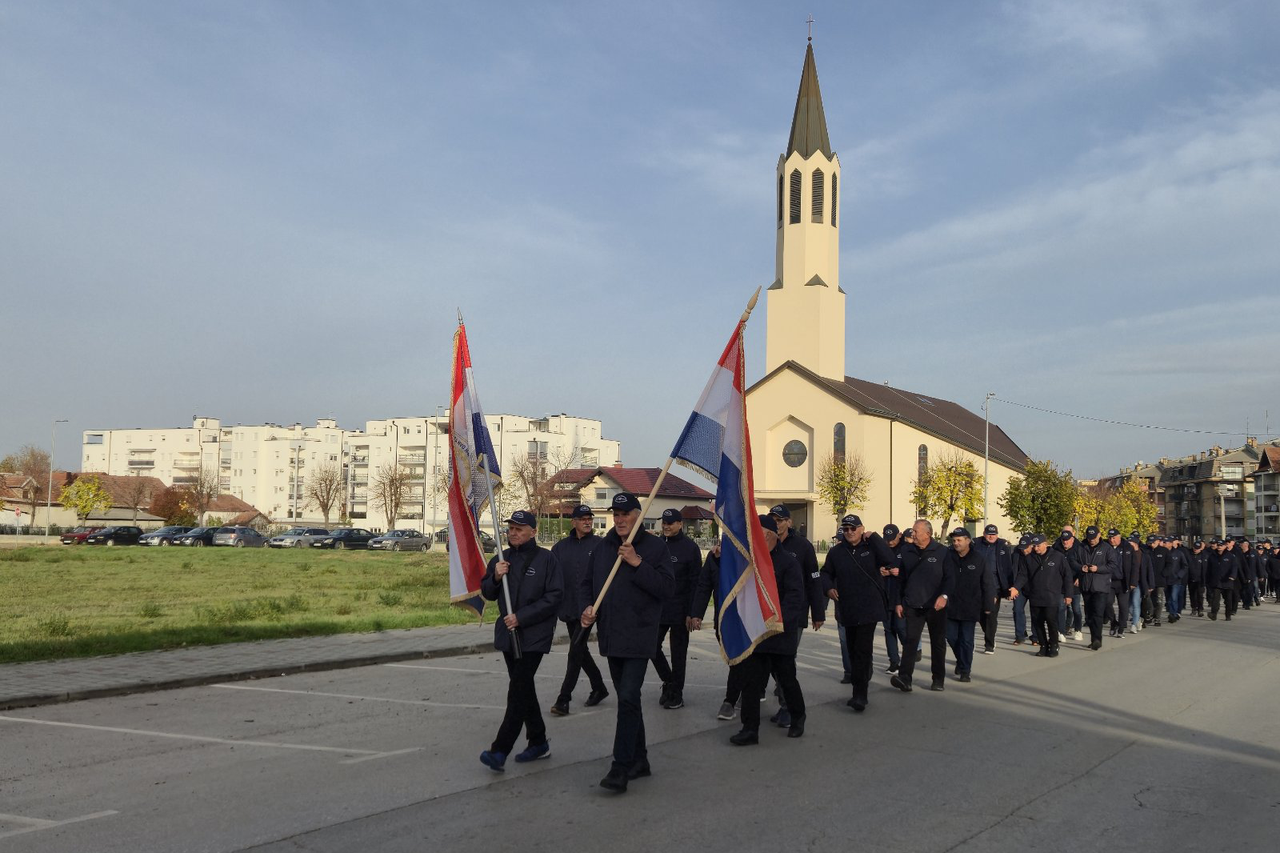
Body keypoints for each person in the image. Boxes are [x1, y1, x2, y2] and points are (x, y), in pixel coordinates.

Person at [579, 492, 674, 793]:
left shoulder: (655, 548)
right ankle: (640, 760)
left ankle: (620, 767)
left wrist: (636, 562)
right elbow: (587, 584)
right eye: (615, 514)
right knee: (627, 700)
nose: (619, 519)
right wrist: (586, 608)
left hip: (640, 635)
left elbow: (666, 589)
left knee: (629, 697)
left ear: (637, 515)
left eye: (625, 514)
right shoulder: (602, 547)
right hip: (611, 635)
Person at [478, 510, 564, 772]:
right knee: (523, 689)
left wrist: (522, 617)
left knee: (517, 690)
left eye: (519, 528)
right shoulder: (501, 559)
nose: (513, 532)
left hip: (534, 635)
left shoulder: (547, 559)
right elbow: (487, 592)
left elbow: (554, 596)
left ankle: (500, 750)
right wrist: (495, 577)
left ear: (533, 532)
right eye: (511, 528)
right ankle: (538, 742)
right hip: (508, 634)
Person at [730, 514, 808, 745]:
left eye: (758, 534)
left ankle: (797, 717)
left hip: (780, 634)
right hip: (756, 635)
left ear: (770, 535)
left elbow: (795, 598)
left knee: (787, 680)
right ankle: (750, 729)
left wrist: (777, 621)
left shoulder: (788, 563)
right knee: (752, 683)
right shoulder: (750, 562)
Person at [821, 514, 896, 712]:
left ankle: (860, 695)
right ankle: (860, 680)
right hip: (848, 607)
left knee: (862, 650)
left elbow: (889, 559)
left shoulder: (871, 547)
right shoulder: (837, 552)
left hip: (869, 608)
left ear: (862, 529)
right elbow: (826, 573)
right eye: (845, 529)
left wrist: (875, 538)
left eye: (853, 528)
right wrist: (828, 588)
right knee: (853, 651)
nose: (849, 532)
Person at [548, 505, 608, 716]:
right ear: (573, 521)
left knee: (575, 651)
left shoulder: (601, 545)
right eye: (582, 518)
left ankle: (564, 699)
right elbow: (552, 578)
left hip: (591, 608)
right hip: (568, 608)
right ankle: (599, 687)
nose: (587, 522)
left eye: (589, 518)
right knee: (580, 651)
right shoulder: (560, 548)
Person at [770, 504, 824, 725]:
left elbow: (814, 579)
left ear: (789, 522)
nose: (777, 524)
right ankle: (784, 698)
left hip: (794, 614)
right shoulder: (765, 544)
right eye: (773, 520)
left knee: (785, 660)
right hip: (769, 614)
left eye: (780, 520)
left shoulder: (802, 546)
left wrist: (817, 612)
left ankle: (787, 708)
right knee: (773, 663)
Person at [890, 519, 953, 693]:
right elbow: (900, 580)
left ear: (928, 533)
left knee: (938, 642)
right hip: (913, 604)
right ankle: (905, 678)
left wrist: (944, 596)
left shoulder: (942, 552)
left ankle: (938, 679)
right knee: (910, 641)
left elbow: (950, 578)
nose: (913, 534)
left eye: (916, 531)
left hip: (936, 606)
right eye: (912, 531)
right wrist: (898, 602)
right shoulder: (907, 551)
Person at [651, 508, 700, 710]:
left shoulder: (690, 548)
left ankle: (676, 693)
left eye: (670, 523)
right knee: (651, 647)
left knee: (678, 654)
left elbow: (696, 583)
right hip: (659, 608)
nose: (666, 526)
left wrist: (693, 612)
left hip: (680, 610)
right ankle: (669, 682)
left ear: (680, 524)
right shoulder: (656, 546)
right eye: (664, 522)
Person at [943, 528, 997, 682]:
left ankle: (965, 670)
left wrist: (988, 606)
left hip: (971, 606)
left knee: (967, 640)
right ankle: (961, 660)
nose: (956, 543)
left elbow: (987, 583)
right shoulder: (948, 556)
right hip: (951, 606)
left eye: (959, 540)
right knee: (951, 637)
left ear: (968, 540)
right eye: (954, 540)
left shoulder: (978, 559)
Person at [1017, 534, 1074, 657]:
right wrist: (1015, 588)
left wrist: (1068, 594)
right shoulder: (1029, 558)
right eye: (1034, 546)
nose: (1036, 548)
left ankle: (1053, 645)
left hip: (1052, 596)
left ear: (1045, 544)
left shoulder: (1058, 557)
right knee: (1037, 622)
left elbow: (1067, 576)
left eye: (1038, 546)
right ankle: (1043, 645)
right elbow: (1022, 575)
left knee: (1050, 621)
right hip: (1035, 595)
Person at [972, 524, 1016, 654]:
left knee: (991, 615)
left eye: (994, 534)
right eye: (989, 534)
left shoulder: (1002, 546)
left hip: (994, 586)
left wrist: (1008, 588)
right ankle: (989, 634)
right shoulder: (976, 544)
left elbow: (1008, 568)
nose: (991, 536)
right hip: (978, 586)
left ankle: (989, 644)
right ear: (984, 534)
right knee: (979, 615)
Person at [1077, 526, 1116, 650]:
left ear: (1099, 535)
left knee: (1098, 613)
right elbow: (1073, 561)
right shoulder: (1081, 547)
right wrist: (1081, 567)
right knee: (1089, 615)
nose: (1091, 540)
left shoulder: (1107, 548)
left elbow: (1113, 565)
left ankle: (1097, 639)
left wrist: (1098, 569)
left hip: (1100, 586)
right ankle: (1093, 637)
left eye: (1093, 538)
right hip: (1086, 585)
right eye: (1089, 538)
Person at [879, 523, 910, 675]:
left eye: (892, 538)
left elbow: (913, 571)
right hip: (886, 595)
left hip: (901, 597)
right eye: (887, 538)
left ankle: (909, 656)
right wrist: (881, 571)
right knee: (888, 630)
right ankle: (894, 662)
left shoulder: (906, 549)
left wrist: (901, 572)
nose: (890, 542)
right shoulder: (882, 549)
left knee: (901, 628)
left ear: (899, 535)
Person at [1053, 527, 1085, 641]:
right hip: (1061, 583)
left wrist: (1080, 578)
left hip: (1074, 582)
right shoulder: (1056, 548)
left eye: (1067, 540)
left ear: (1072, 539)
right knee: (1061, 608)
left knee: (1075, 608)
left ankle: (1078, 630)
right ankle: (1061, 632)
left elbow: (1083, 565)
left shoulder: (1079, 549)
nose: (1065, 542)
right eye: (1063, 540)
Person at [1107, 529, 1136, 637]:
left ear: (1119, 537)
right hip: (1109, 582)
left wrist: (1133, 581)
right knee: (1107, 602)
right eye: (1110, 537)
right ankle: (1113, 622)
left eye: (1114, 537)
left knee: (1123, 606)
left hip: (1123, 581)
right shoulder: (1106, 547)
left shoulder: (1127, 547)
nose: (1111, 540)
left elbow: (1134, 566)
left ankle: (1121, 628)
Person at [1205, 538, 1237, 621]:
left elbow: (1234, 567)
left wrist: (1232, 576)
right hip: (1216, 582)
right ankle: (1213, 614)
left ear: (1225, 546)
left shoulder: (1230, 556)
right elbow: (1208, 569)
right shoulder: (1212, 556)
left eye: (1221, 545)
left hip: (1227, 581)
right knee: (1215, 599)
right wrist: (1207, 580)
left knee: (1228, 600)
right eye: (1218, 545)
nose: (1219, 547)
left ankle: (1228, 615)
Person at [1012, 534, 1035, 645]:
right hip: (1019, 587)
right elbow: (1013, 570)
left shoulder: (1036, 554)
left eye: (1026, 548)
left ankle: (1035, 637)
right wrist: (1013, 587)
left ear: (1031, 546)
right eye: (1021, 548)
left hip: (1034, 587)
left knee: (1035, 612)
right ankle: (1020, 636)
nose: (1024, 550)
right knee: (1017, 610)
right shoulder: (1016, 553)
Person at [1164, 536, 1189, 622]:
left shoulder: (1179, 553)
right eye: (1164, 542)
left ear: (1171, 543)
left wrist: (1179, 575)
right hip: (1165, 579)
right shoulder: (1163, 553)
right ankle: (1171, 612)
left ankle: (1173, 613)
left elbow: (1185, 566)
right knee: (1168, 598)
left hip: (1176, 580)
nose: (1165, 544)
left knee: (1174, 597)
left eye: (1166, 543)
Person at [1188, 539, 1209, 617]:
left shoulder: (1205, 555)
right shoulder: (1189, 554)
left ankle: (1200, 609)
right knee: (1192, 594)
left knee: (1200, 595)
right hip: (1191, 578)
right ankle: (1194, 608)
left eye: (1197, 548)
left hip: (1201, 579)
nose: (1195, 550)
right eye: (1194, 548)